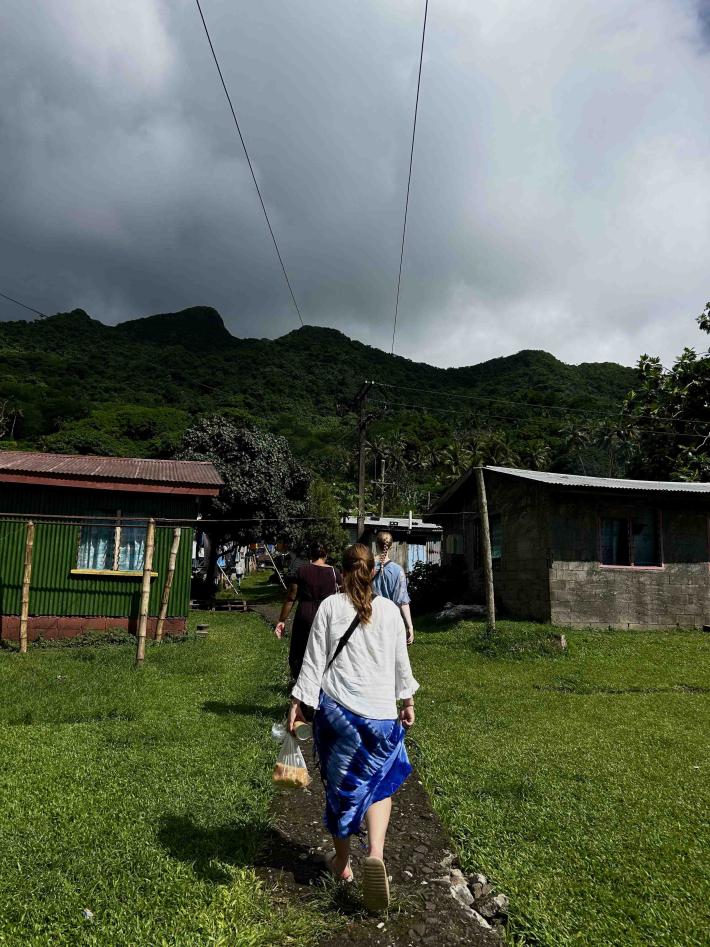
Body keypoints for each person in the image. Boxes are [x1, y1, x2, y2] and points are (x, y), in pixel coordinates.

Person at [288, 543, 418, 913]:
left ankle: (342, 864)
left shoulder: (330, 606)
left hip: (338, 718)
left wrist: (298, 703)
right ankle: (375, 854)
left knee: (341, 790)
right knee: (377, 782)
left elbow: (312, 663)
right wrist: (407, 702)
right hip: (379, 717)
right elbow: (400, 664)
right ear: (372, 571)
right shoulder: (391, 611)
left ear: (341, 572)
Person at [275, 541, 342, 681]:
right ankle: (322, 683)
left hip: (305, 614)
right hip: (327, 616)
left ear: (310, 555)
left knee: (300, 651)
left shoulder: (302, 571)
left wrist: (281, 620)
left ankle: (300, 682)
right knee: (324, 650)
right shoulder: (334, 573)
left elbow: (291, 597)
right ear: (326, 555)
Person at [372, 531, 415, 645]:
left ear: (376, 544)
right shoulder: (398, 570)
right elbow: (403, 601)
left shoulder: (366, 567)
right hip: (390, 621)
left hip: (369, 619)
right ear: (390, 547)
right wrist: (409, 626)